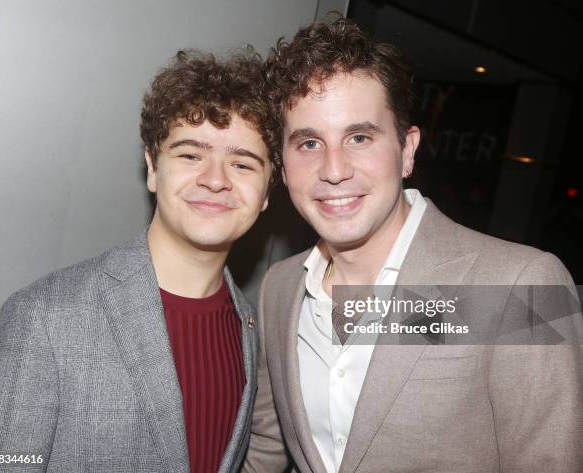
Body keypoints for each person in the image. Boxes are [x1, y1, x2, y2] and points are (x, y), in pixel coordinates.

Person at [244, 19, 582, 473]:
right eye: (308, 142)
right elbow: (268, 447)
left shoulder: (517, 287)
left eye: (359, 137)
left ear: (407, 150)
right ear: (283, 168)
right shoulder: (280, 290)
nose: (334, 169)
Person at [0, 49, 278, 472]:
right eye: (190, 155)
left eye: (243, 164)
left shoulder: (252, 328)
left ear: (265, 194)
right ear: (153, 168)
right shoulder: (44, 316)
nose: (215, 179)